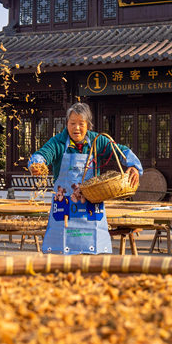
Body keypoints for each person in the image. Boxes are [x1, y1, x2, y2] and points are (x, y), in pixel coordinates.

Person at [27, 102, 142, 254]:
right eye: (72, 123)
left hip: (91, 207)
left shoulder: (97, 141)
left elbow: (121, 151)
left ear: (88, 125)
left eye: (81, 124)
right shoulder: (58, 142)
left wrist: (133, 165)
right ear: (66, 124)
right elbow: (43, 154)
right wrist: (37, 163)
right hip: (64, 206)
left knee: (92, 256)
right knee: (60, 254)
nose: (76, 128)